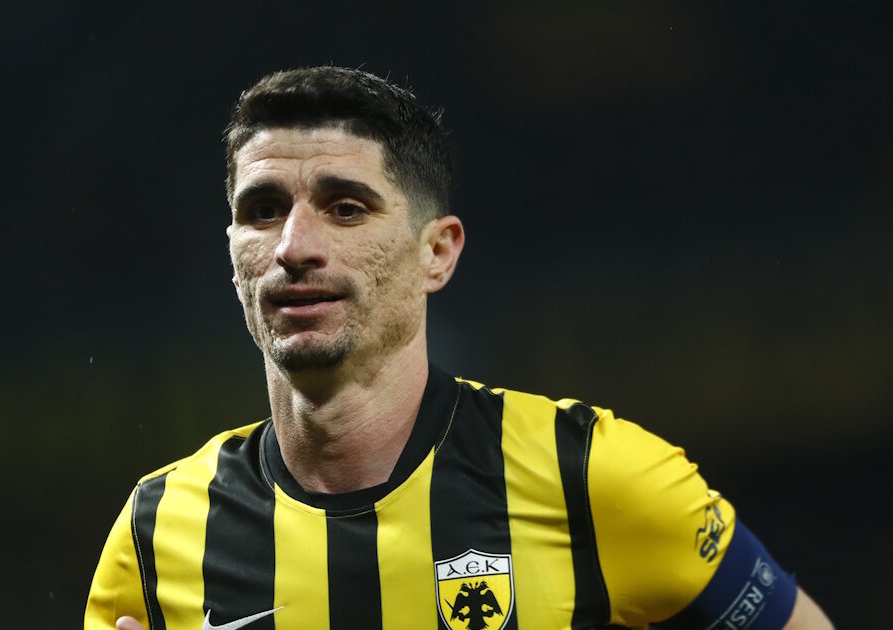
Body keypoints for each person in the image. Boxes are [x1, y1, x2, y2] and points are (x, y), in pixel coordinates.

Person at [85, 67, 833, 630]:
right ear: (233, 256)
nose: (294, 246)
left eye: (345, 208)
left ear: (436, 253)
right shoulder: (158, 532)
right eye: (262, 210)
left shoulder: (592, 476)